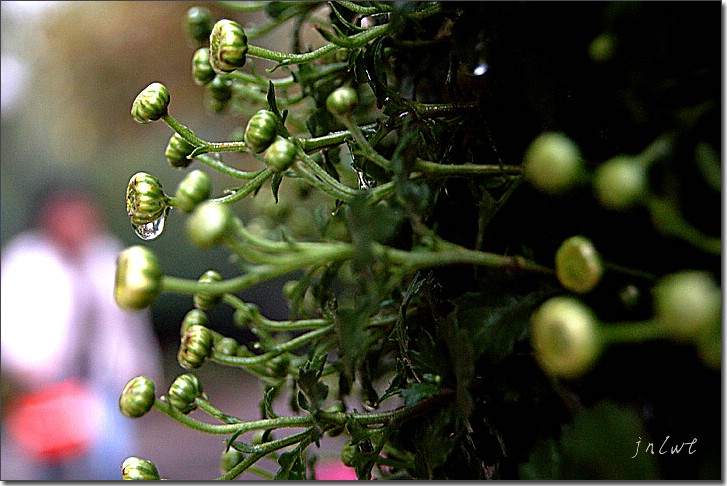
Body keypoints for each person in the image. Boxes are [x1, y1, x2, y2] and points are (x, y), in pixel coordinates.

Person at [1, 178, 163, 480]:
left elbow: (131, 327)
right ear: (49, 218)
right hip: (45, 393)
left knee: (113, 464)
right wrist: (31, 373)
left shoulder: (110, 257)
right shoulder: (24, 262)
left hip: (105, 389)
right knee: (46, 472)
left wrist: (146, 374)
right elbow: (8, 331)